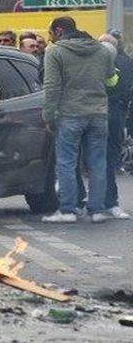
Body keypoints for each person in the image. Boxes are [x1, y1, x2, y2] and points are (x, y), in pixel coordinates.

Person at [41, 16, 114, 224]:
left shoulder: (55, 52)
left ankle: (68, 210)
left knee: (66, 163)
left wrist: (48, 114)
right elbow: (110, 76)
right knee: (98, 164)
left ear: (59, 31)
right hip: (99, 113)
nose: (51, 38)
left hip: (70, 114)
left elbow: (52, 86)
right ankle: (97, 210)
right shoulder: (102, 50)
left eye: (51, 34)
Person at [98, 32, 132, 219]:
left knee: (94, 159)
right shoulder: (125, 62)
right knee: (108, 159)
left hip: (98, 114)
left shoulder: (97, 63)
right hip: (113, 115)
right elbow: (125, 89)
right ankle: (108, 201)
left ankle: (87, 201)